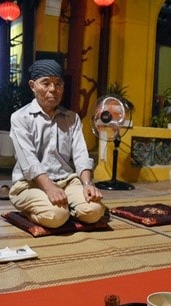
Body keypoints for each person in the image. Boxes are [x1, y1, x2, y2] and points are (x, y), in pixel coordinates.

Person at [9, 59, 105, 228]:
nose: (53, 89)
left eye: (58, 83)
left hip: (67, 181)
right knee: (56, 216)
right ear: (33, 86)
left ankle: (67, 207)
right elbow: (29, 160)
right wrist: (49, 188)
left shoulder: (72, 118)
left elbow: (81, 154)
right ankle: (37, 211)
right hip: (30, 185)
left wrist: (87, 184)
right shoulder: (20, 118)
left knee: (94, 211)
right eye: (45, 83)